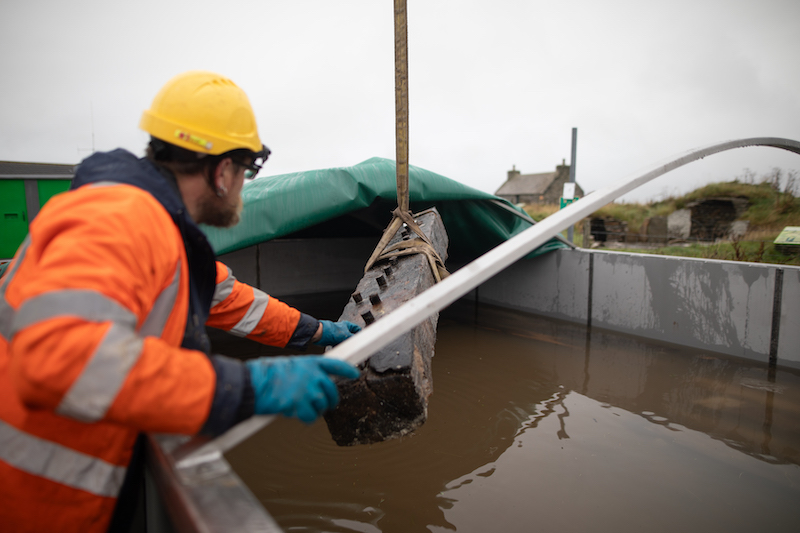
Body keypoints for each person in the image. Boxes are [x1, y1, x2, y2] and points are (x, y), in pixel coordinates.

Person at [0, 70, 362, 532]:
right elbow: (60, 357)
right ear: (221, 171)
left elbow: (236, 302)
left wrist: (315, 331)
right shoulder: (119, 216)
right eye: (247, 170)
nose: (243, 186)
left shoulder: (161, 233)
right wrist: (244, 387)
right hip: (29, 509)